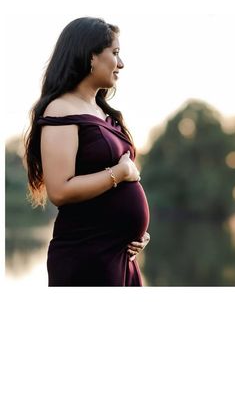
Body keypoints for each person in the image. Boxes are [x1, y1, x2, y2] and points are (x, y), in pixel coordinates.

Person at [23, 17, 150, 286]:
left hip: (121, 256)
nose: (122, 64)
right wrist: (120, 171)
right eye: (115, 53)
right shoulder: (61, 109)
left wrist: (137, 233)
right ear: (91, 57)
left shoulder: (105, 112)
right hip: (88, 256)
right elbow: (60, 190)